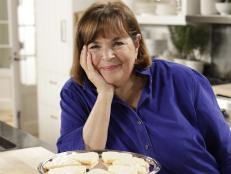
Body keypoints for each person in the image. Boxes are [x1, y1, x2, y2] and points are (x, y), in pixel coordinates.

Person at [57, 1, 231, 173]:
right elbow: (75, 162)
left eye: (118, 43)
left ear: (136, 43)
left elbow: (226, 151)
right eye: (95, 46)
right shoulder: (74, 94)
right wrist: (104, 94)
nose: (108, 55)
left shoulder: (184, 81)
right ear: (83, 53)